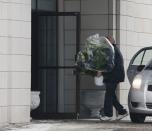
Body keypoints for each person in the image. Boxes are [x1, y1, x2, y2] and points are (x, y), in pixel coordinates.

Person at [98, 35, 128, 121]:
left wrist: (101, 71)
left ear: (110, 41)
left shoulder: (112, 50)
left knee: (108, 94)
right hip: (113, 75)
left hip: (113, 76)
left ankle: (108, 115)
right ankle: (122, 111)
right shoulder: (112, 49)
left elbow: (110, 65)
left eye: (106, 41)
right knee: (111, 95)